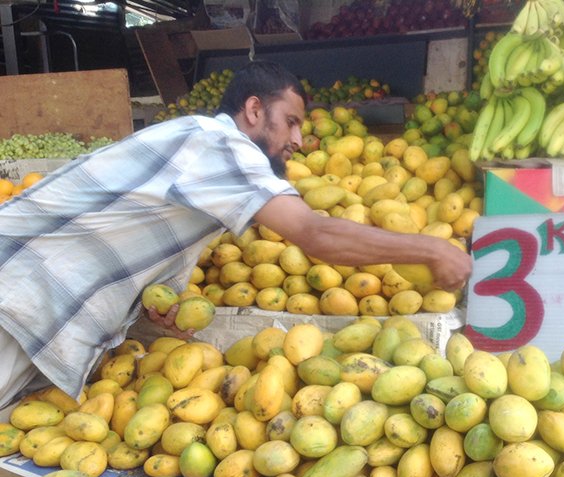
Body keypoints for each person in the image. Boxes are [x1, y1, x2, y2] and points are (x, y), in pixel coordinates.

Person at [0, 61, 472, 409]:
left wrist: (156, 303)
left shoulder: (204, 159)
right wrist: (431, 249)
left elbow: (133, 235)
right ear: (253, 109)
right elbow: (313, 233)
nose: (299, 141)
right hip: (17, 291)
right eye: (291, 121)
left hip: (31, 300)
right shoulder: (218, 144)